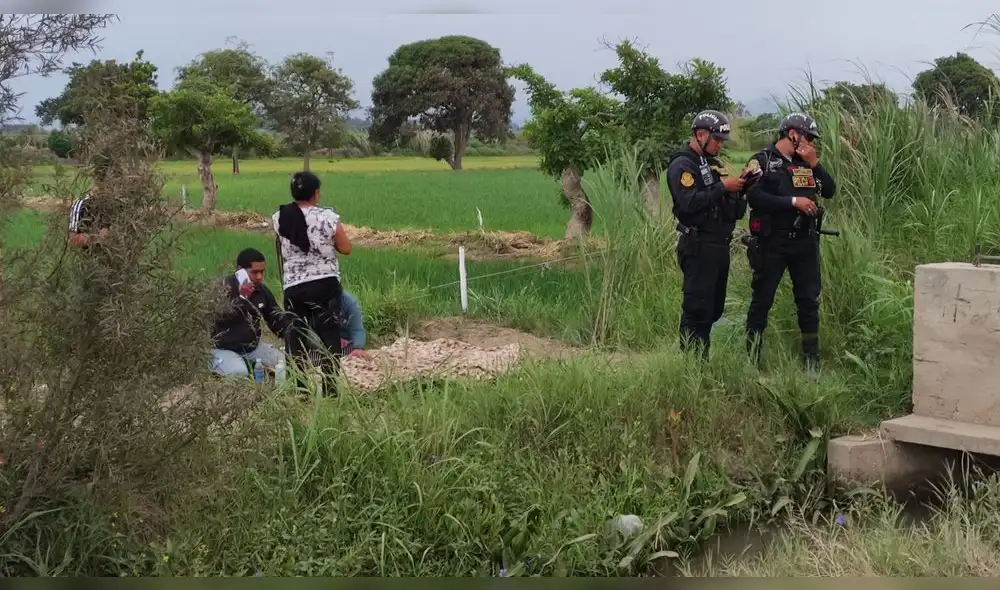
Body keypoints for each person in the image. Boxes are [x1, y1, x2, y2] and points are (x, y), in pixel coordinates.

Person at [743, 112, 837, 374]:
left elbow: (829, 190)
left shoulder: (805, 164)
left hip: (804, 243)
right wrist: (793, 202)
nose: (811, 142)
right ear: (792, 134)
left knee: (808, 300)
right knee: (762, 300)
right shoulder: (762, 160)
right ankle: (752, 359)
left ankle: (811, 360)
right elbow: (754, 194)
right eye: (808, 137)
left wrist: (815, 164)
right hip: (773, 242)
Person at [665, 110, 748, 359]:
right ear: (700, 135)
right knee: (696, 308)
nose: (720, 146)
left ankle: (702, 359)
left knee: (713, 309)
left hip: (719, 246)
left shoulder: (714, 165)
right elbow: (689, 202)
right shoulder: (683, 165)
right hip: (698, 243)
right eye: (716, 140)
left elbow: (734, 210)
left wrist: (740, 188)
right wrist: (723, 187)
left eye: (722, 141)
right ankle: (692, 365)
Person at [273, 171, 352, 393]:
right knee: (329, 336)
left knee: (295, 338)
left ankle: (301, 390)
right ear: (316, 193)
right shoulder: (328, 218)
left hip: (294, 285)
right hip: (324, 284)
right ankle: (329, 389)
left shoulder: (279, 218)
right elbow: (346, 248)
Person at [209, 248, 290, 378]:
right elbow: (219, 318)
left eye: (262, 272)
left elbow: (275, 319)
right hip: (223, 348)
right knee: (238, 373)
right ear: (240, 270)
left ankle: (250, 364)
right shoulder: (221, 289)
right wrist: (242, 298)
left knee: (286, 364)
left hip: (252, 348)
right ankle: (216, 362)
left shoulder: (262, 291)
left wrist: (293, 330)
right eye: (255, 272)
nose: (259, 277)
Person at [339, 291, 372, 361]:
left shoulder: (348, 301)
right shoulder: (312, 301)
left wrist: (358, 347)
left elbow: (357, 327)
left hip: (346, 345)